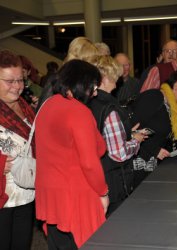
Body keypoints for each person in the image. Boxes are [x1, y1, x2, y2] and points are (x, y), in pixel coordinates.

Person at [35, 59, 109, 249]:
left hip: (49, 192)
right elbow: (92, 159)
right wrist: (103, 192)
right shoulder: (79, 111)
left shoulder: (47, 105)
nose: (95, 92)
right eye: (93, 86)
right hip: (76, 194)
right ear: (82, 84)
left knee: (57, 243)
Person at [88, 55, 146, 216]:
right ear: (106, 78)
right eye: (115, 75)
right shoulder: (109, 108)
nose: (118, 79)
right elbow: (118, 153)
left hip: (96, 176)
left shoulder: (87, 102)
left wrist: (127, 132)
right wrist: (136, 140)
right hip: (113, 181)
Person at [0, 50, 36, 250]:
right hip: (2, 195)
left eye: (20, 80)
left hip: (26, 191)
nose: (17, 87)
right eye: (9, 81)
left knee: (22, 244)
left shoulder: (25, 105)